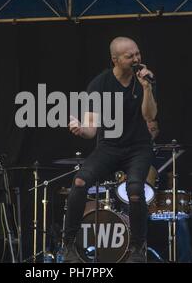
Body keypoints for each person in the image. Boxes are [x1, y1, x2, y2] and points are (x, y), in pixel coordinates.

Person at [64, 36, 157, 263]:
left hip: (138, 147)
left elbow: (150, 116)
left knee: (135, 188)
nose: (136, 59)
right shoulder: (100, 84)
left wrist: (147, 88)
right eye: (130, 56)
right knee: (79, 182)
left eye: (137, 53)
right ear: (115, 59)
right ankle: (68, 245)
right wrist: (80, 129)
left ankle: (137, 248)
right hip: (109, 147)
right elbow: (91, 130)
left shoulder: (145, 79)